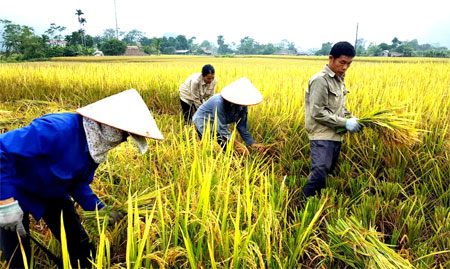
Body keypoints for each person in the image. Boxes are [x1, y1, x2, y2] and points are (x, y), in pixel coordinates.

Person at [0, 89, 164, 268]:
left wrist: (99, 208)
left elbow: (78, 183)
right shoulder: (56, 129)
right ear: (111, 127)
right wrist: (6, 204)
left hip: (52, 193)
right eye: (125, 135)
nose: (123, 141)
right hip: (12, 189)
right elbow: (2, 151)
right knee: (18, 255)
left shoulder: (95, 147)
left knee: (79, 246)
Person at [303, 41, 362, 197]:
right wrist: (345, 123)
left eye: (349, 64)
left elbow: (340, 107)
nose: (345, 67)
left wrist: (351, 117)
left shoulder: (339, 79)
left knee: (327, 172)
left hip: (336, 134)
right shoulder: (320, 80)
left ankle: (318, 203)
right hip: (321, 134)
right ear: (331, 58)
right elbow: (317, 112)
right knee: (320, 172)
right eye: (342, 62)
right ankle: (303, 207)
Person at [193, 77, 266, 154]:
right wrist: (237, 144)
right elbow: (221, 127)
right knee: (211, 149)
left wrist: (251, 143)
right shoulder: (218, 102)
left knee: (227, 148)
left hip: (218, 124)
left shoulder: (243, 106)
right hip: (204, 122)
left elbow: (242, 126)